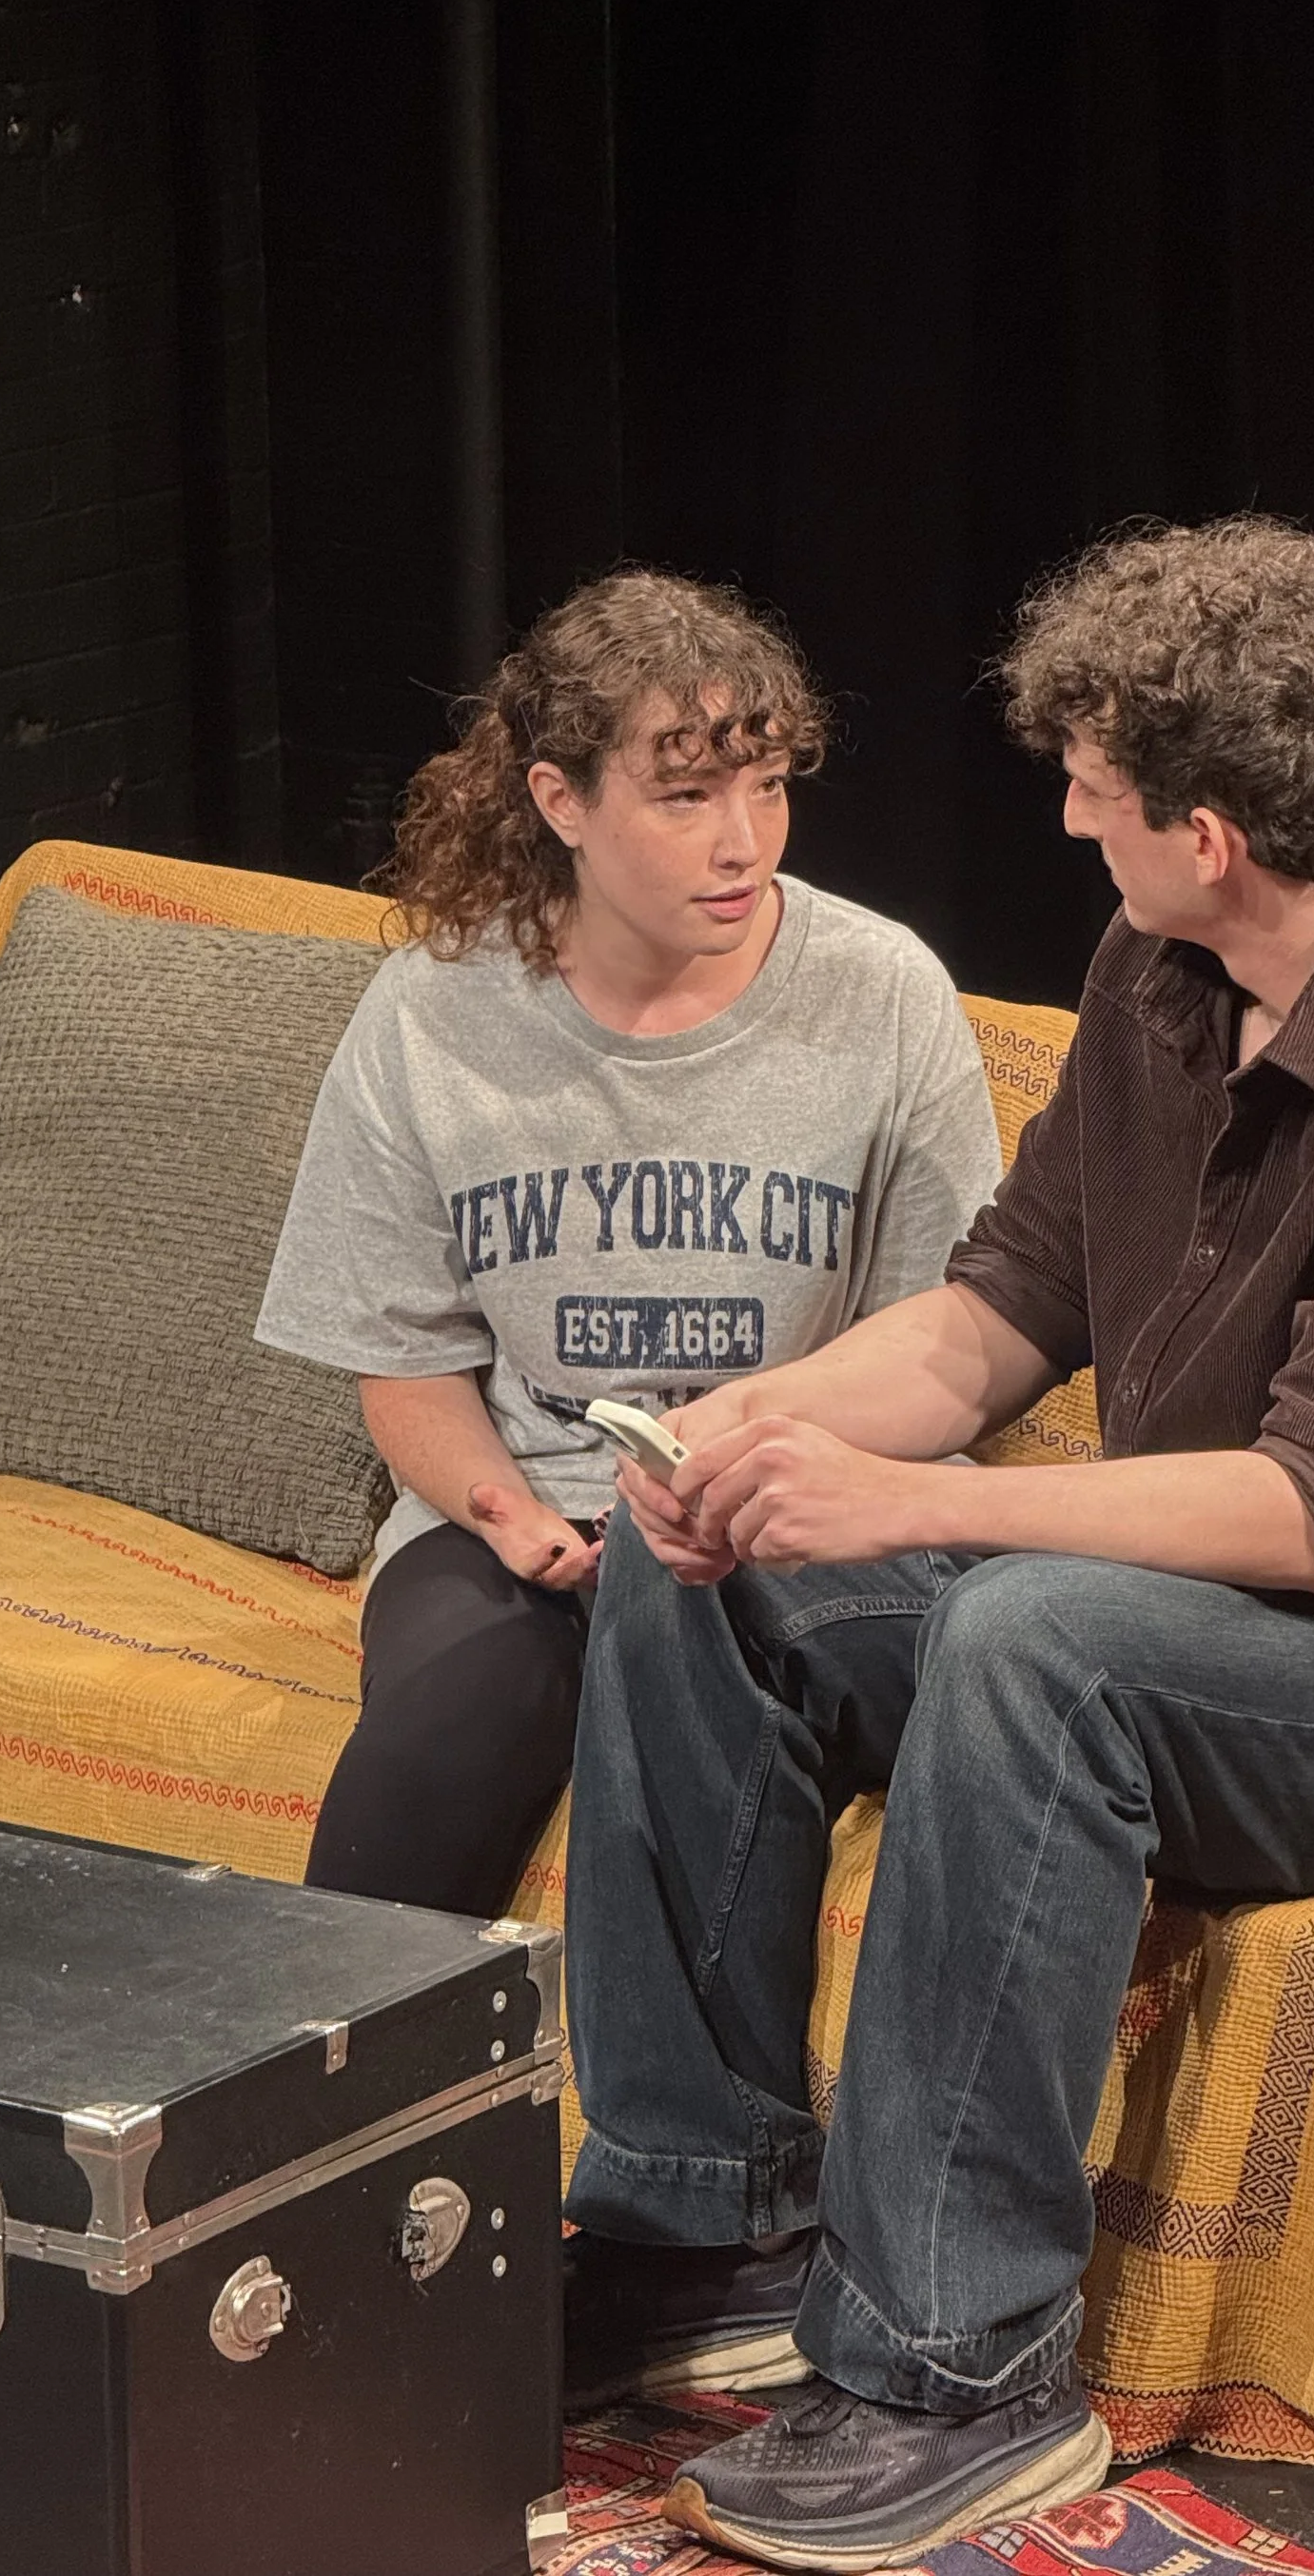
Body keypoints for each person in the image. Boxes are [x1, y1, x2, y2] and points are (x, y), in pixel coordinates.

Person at [563, 517, 1314, 2571]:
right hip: (1246, 1623)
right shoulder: (1163, 967)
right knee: (715, 1565)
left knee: (1036, 1638)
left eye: (1096, 783)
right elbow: (1003, 1309)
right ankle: (712, 2234)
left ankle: (954, 2372)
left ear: (1207, 826)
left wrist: (917, 1501)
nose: (1069, 809)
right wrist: (761, 1427)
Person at [254, 568, 1003, 1919]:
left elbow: (942, 1345)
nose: (745, 840)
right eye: (686, 796)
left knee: (970, 1723)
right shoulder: (435, 1010)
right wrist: (510, 1517)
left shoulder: (883, 993)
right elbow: (403, 1358)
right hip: (518, 1530)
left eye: (767, 785)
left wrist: (771, 1499)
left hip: (797, 1524)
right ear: (561, 802)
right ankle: (325, 2110)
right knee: (455, 1728)